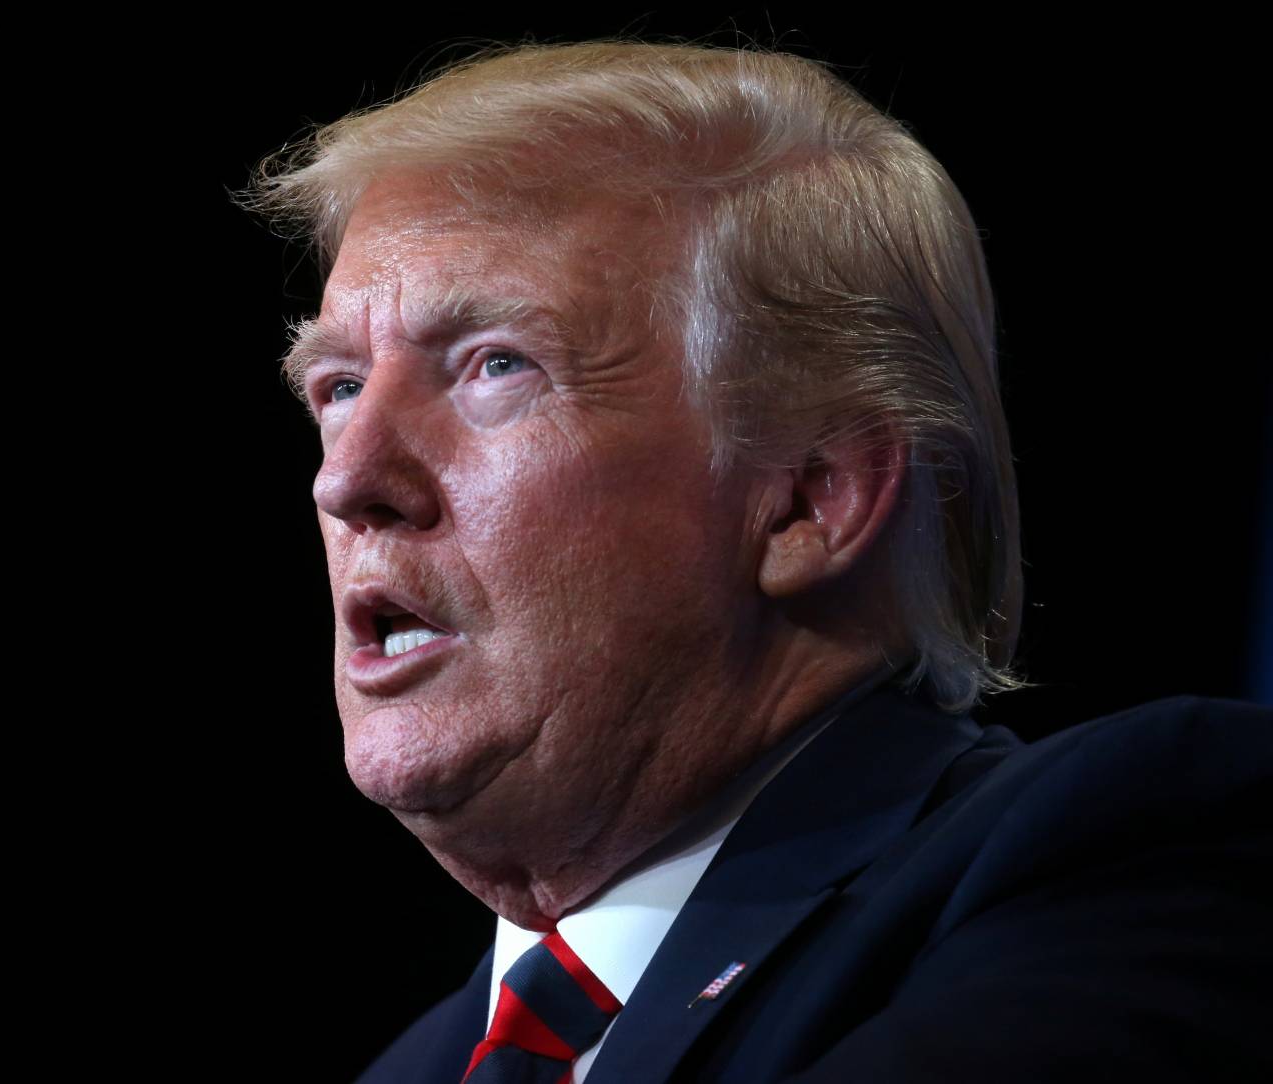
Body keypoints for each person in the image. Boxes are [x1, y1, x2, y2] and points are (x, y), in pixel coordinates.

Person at [245, 42, 1272, 1082]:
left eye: (496, 365)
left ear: (808, 494)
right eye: (335, 387)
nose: (347, 480)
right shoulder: (414, 1068)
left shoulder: (1129, 850)